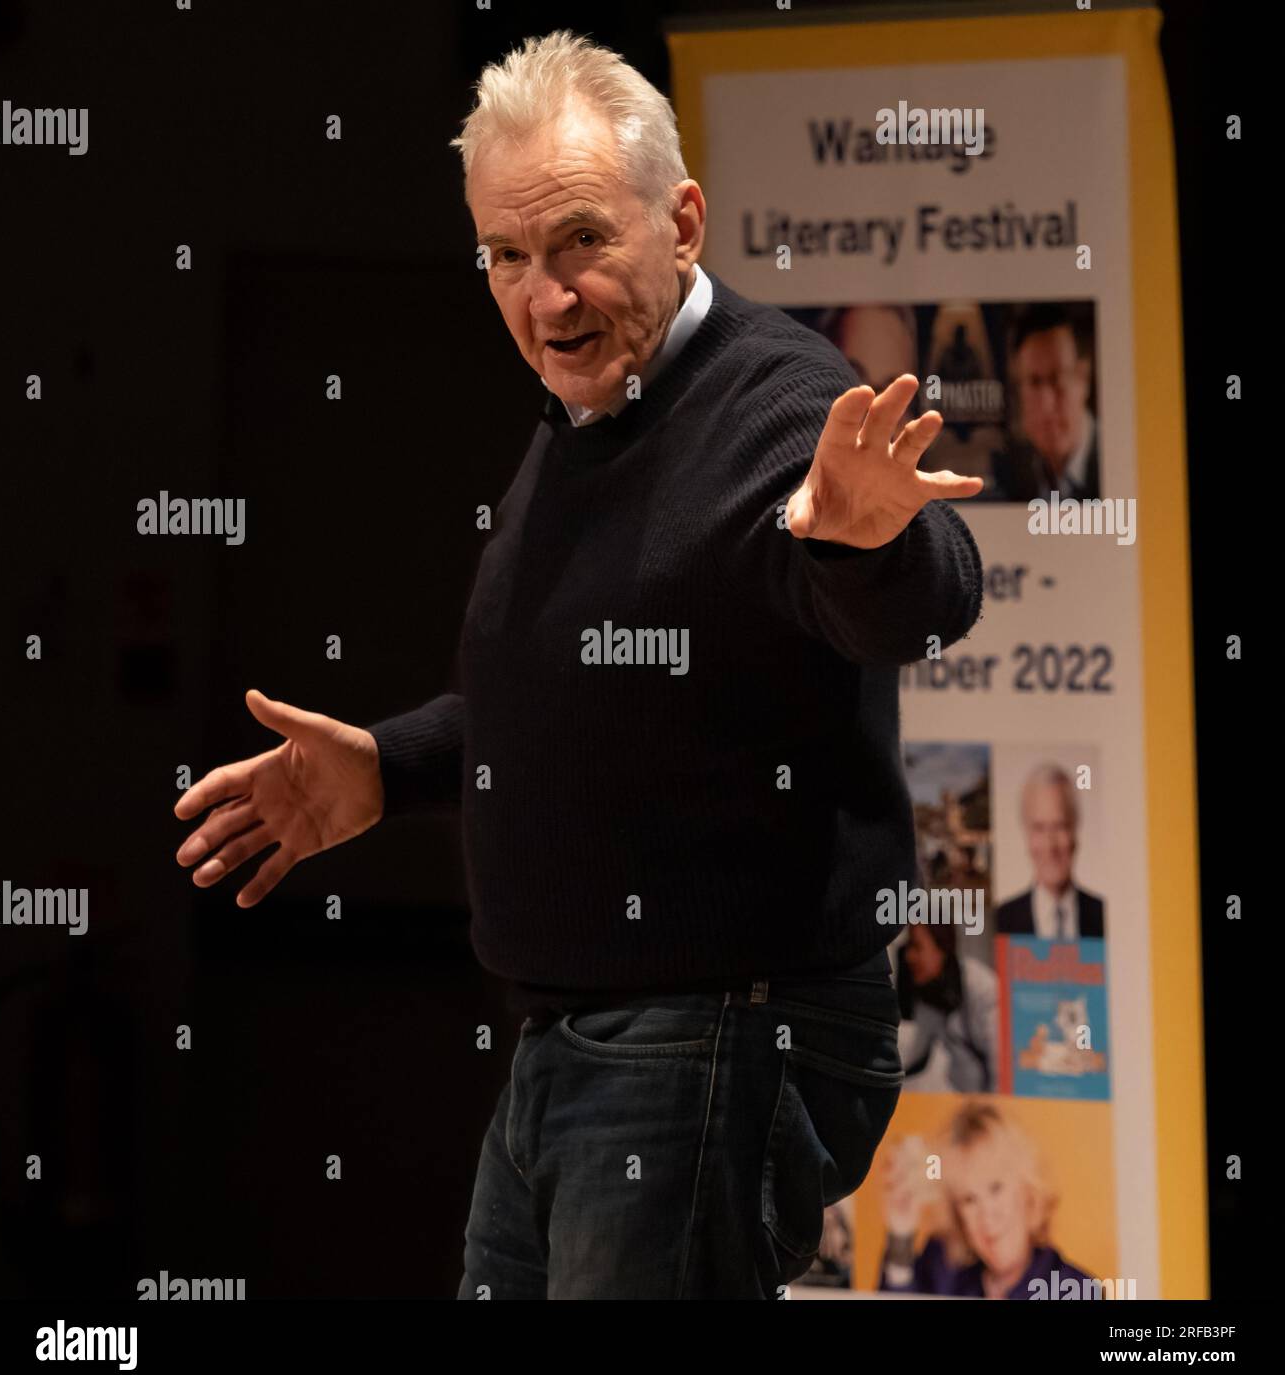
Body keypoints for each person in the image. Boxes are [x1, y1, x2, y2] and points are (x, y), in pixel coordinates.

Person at [172, 30, 984, 1299]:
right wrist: (395, 763)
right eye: (508, 257)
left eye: (581, 245)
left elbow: (919, 595)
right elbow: (585, 687)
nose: (544, 298)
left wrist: (866, 546)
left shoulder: (771, 402)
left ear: (683, 221)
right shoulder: (590, 415)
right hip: (583, 1036)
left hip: (719, 1028)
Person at [880, 1101, 1094, 1298]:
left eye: (996, 1188)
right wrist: (901, 1234)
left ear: (1028, 1192)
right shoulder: (945, 1273)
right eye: (969, 1199)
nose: (987, 1215)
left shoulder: (1075, 1290)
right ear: (959, 1216)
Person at [992, 303, 1099, 502]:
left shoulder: (1120, 461)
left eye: (1057, 379)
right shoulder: (1012, 477)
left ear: (1083, 378)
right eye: (1034, 382)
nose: (1046, 404)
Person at [996, 764, 1106, 939]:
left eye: (1060, 826)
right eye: (1039, 828)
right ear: (1026, 835)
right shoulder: (1000, 922)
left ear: (1075, 830)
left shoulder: (1106, 917)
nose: (1050, 846)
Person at [896, 920, 998, 1093]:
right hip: (964, 1098)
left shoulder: (979, 985)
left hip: (991, 1100)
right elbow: (916, 1055)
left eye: (917, 946)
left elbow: (1001, 1061)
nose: (909, 956)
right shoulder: (929, 994)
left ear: (941, 949)